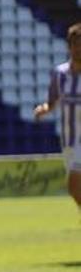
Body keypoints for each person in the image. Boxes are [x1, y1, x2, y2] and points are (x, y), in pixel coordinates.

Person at [32, 21, 81, 214]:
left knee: (73, 183)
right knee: (74, 188)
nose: (79, 50)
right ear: (70, 47)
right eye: (76, 45)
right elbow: (52, 102)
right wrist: (43, 109)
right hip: (69, 139)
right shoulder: (60, 74)